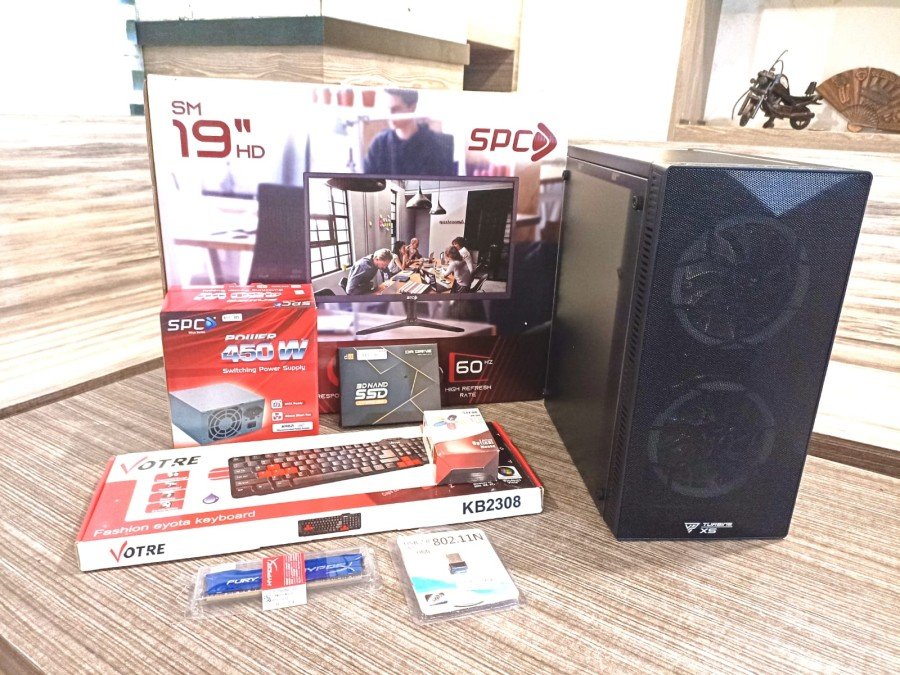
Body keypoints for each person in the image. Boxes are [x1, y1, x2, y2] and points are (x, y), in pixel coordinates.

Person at [363, 89, 455, 176]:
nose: (390, 115)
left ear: (412, 107)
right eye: (388, 109)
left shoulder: (436, 146)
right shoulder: (379, 144)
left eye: (396, 109)